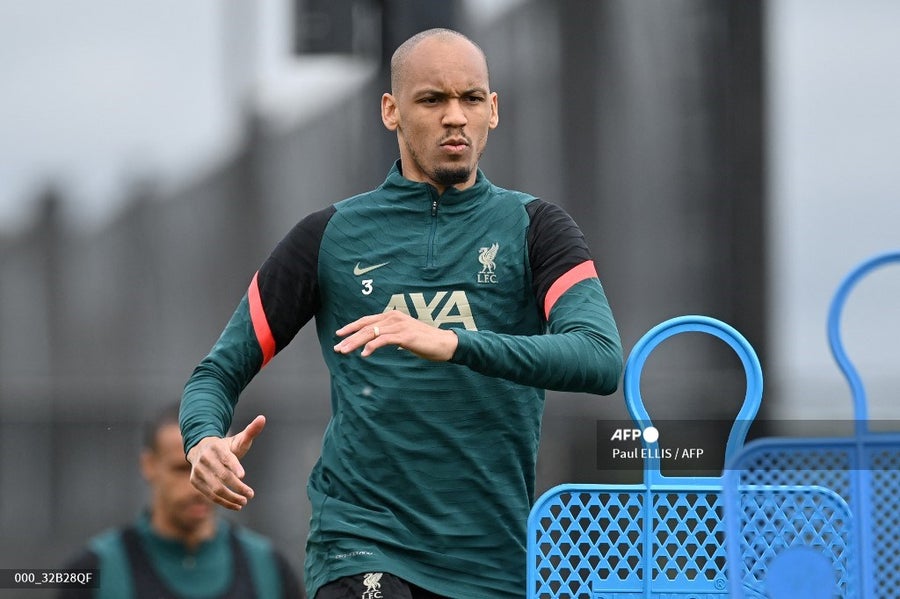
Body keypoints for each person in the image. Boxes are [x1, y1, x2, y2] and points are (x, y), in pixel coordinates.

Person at [179, 27, 623, 599]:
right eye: (432, 99)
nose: (455, 117)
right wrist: (202, 440)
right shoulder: (329, 235)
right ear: (391, 110)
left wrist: (452, 342)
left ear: (493, 110)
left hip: (493, 561)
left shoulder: (537, 227)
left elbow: (599, 357)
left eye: (470, 98)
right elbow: (217, 372)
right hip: (360, 538)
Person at [58, 402, 303, 599]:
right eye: (181, 469)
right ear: (149, 465)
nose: (198, 484)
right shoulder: (94, 569)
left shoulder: (270, 569)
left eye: (212, 468)